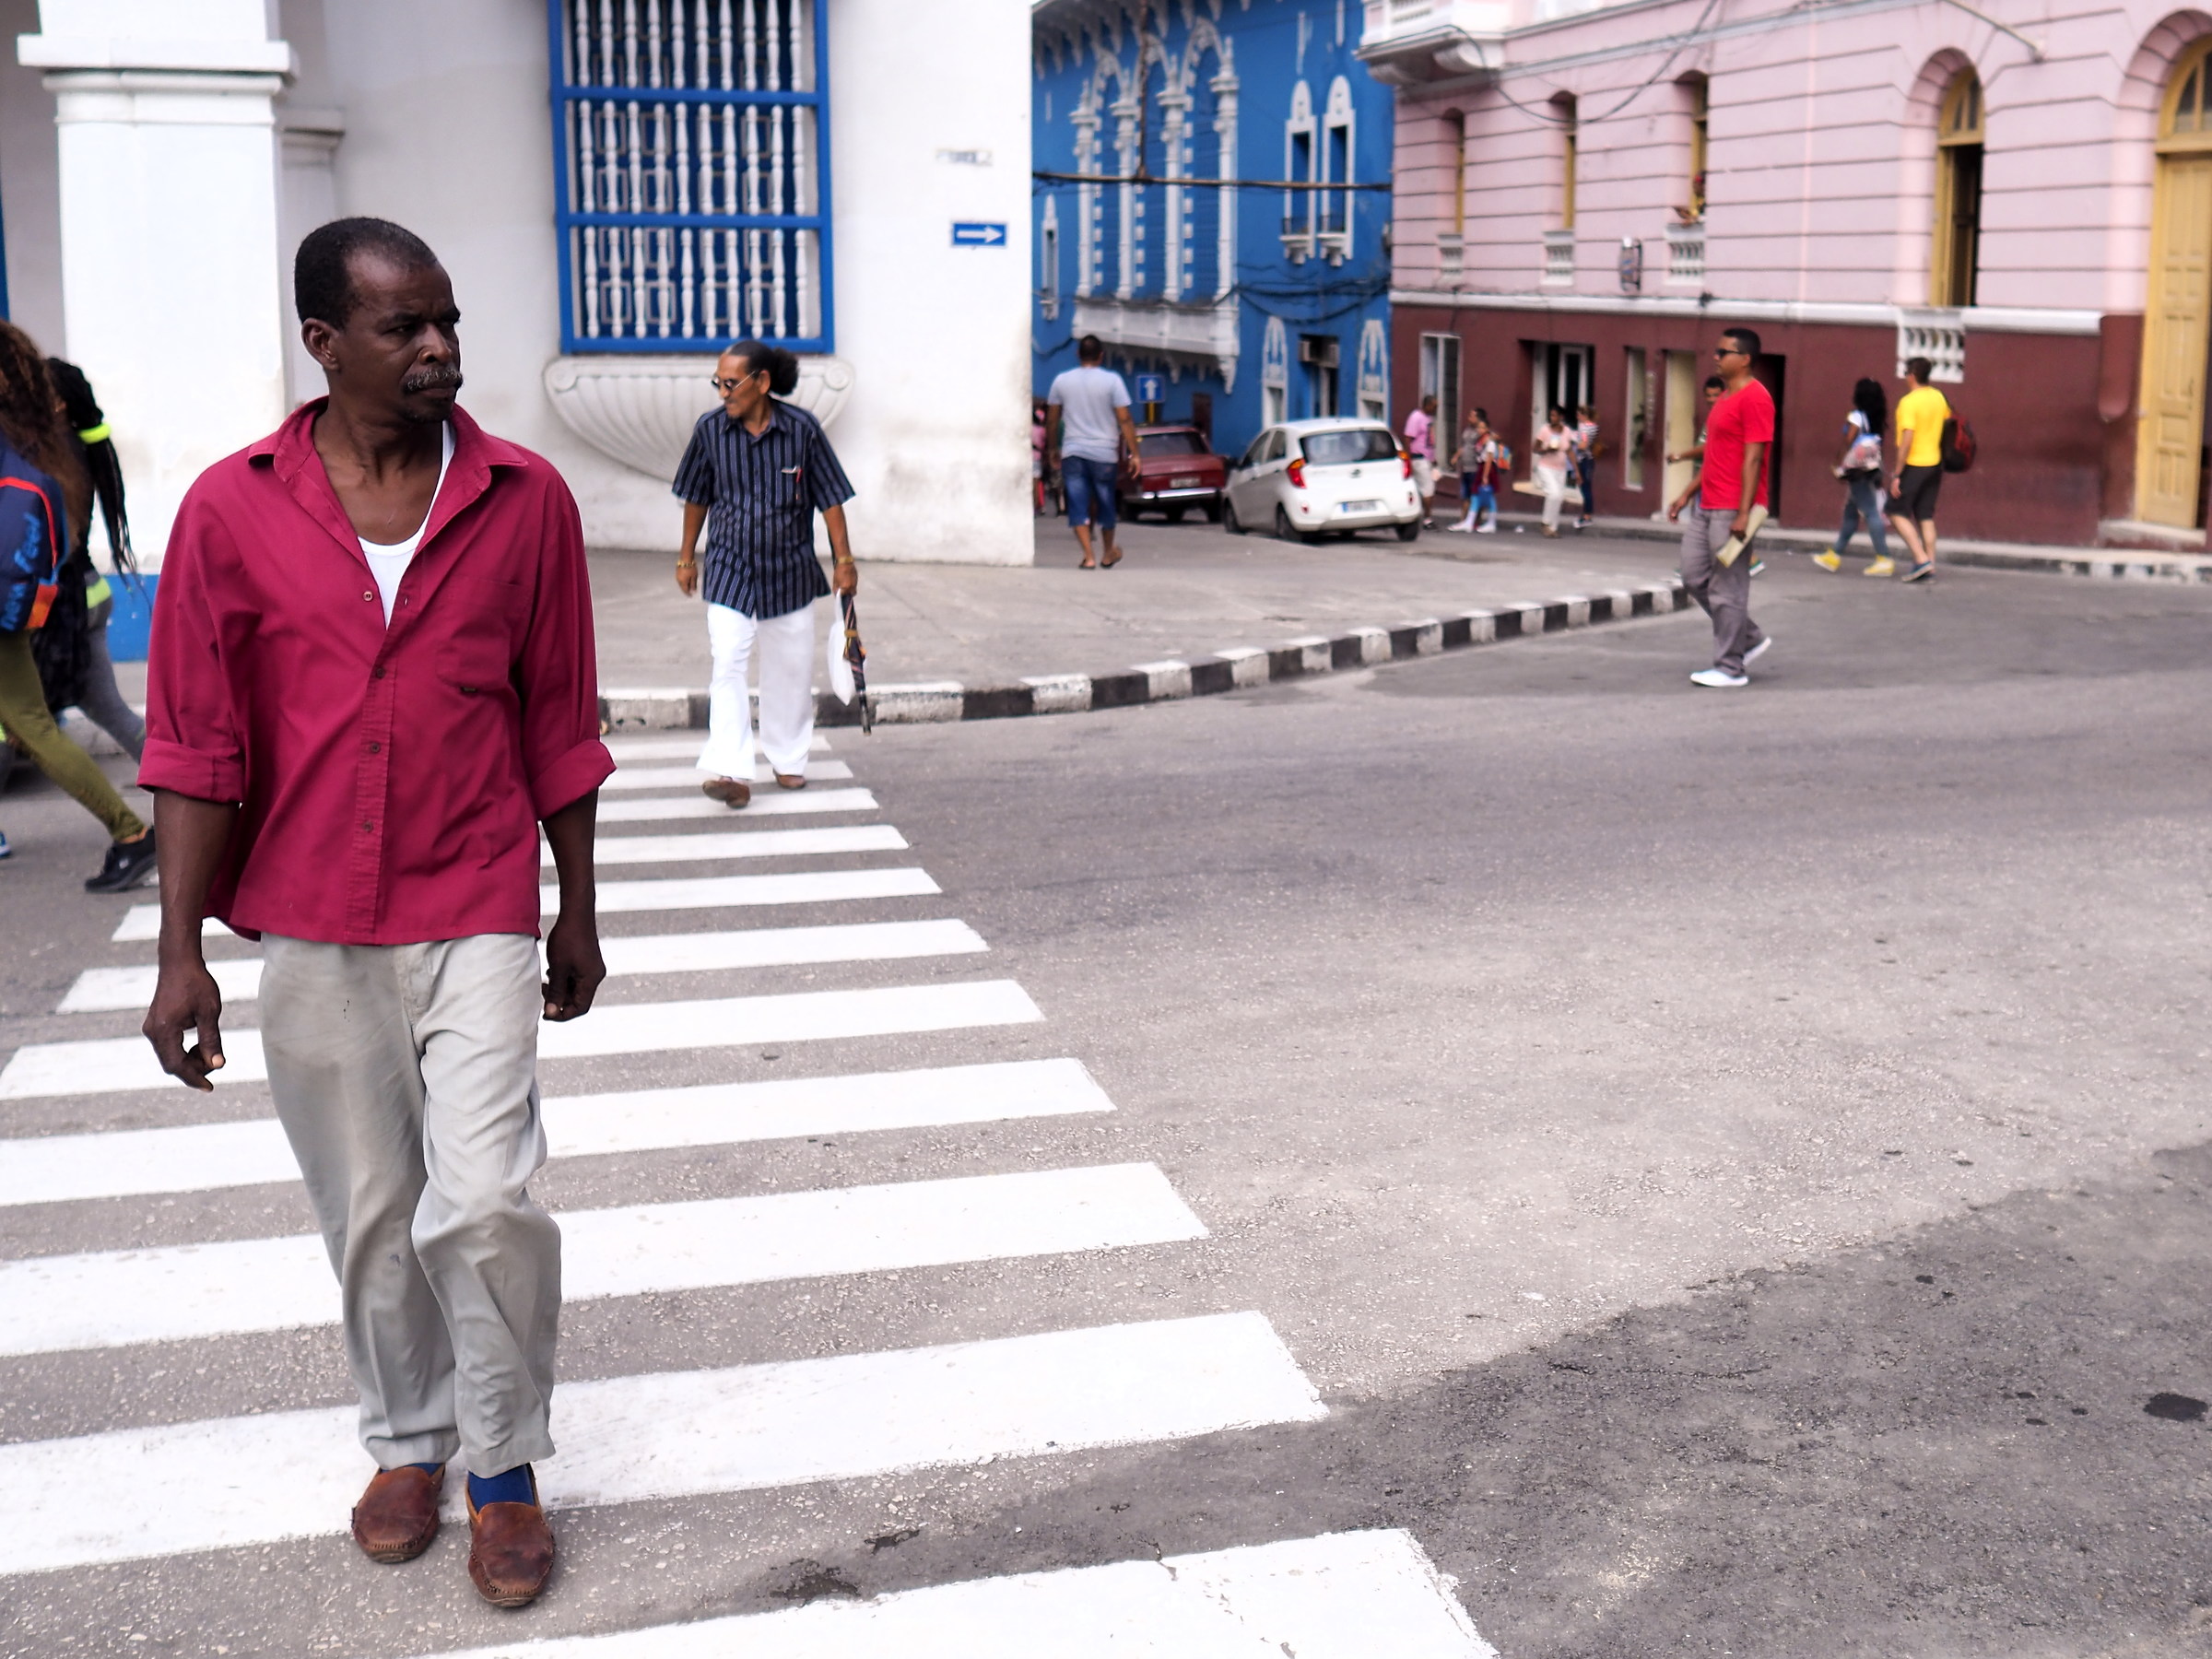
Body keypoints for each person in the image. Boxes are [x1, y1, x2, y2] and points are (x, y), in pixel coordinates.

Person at [138, 218, 613, 1608]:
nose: (439, 351)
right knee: (371, 1207)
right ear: (324, 344)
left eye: (448, 322)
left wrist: (576, 910)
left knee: (481, 1201)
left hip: (474, 896)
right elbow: (194, 748)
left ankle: (505, 1469)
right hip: (309, 914)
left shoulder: (526, 501)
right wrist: (180, 957)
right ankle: (407, 1444)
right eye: (405, 329)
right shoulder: (232, 511)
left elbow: (560, 723)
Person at [0, 320, 156, 891]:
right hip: (74, 596)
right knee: (76, 715)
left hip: (52, 606)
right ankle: (188, 804)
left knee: (31, 725)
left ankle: (137, 829)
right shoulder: (62, 447)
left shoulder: (29, 448)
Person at [675, 340, 856, 809]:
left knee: (790, 668)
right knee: (728, 661)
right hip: (730, 565)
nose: (722, 392)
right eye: (718, 383)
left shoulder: (802, 430)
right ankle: (731, 769)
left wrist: (844, 561)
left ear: (762, 383)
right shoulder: (711, 431)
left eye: (731, 383)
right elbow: (696, 495)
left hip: (790, 569)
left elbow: (830, 498)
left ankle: (788, 756)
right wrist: (686, 556)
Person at [35, 359, 147, 766]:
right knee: (108, 710)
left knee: (18, 718)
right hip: (91, 592)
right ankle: (181, 789)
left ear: (59, 403)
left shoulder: (52, 456)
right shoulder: (80, 449)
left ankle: (131, 821)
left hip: (61, 601)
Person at [1668, 326, 1773, 688]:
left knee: (1727, 588)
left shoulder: (1756, 399)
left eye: (1723, 352)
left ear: (1744, 359)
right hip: (1707, 503)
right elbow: (1715, 456)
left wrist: (1745, 513)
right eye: (1716, 351)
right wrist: (1687, 492)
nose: (1715, 357)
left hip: (1733, 508)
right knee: (1693, 575)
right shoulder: (1726, 398)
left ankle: (1730, 667)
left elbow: (1754, 458)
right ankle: (1749, 637)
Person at [1045, 335, 1140, 569]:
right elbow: (1124, 418)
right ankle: (1108, 552)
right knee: (1105, 501)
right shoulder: (1112, 381)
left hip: (1073, 452)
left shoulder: (1061, 381)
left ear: (1078, 354)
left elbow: (1052, 419)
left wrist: (1051, 449)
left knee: (1077, 503)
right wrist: (1134, 453)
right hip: (1104, 453)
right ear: (1101, 356)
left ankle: (1089, 556)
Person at [1815, 378, 1890, 574]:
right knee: (1850, 512)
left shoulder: (1857, 416)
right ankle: (1834, 554)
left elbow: (1848, 439)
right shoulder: (1877, 418)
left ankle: (1884, 558)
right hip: (1871, 468)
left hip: (1857, 471)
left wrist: (1838, 463)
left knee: (1870, 512)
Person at [1888, 356, 1949, 582]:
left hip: (1915, 464)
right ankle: (1929, 565)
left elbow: (1907, 440)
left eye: (1906, 373)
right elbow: (1945, 424)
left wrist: (1897, 474)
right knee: (1925, 515)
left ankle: (1921, 559)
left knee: (1895, 511)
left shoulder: (1909, 402)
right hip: (1935, 463)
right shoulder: (1938, 397)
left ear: (1912, 375)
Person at [1532, 406, 1574, 536]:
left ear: (1561, 417)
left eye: (1555, 415)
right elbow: (1535, 449)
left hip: (1560, 469)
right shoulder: (1545, 430)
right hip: (1546, 467)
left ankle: (1553, 528)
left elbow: (1570, 451)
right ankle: (1545, 522)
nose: (1552, 418)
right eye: (1551, 415)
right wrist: (1547, 450)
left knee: (1559, 497)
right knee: (1554, 493)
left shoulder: (1567, 431)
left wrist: (1576, 471)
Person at [1448, 410, 1487, 531]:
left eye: (1472, 416)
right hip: (1466, 468)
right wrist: (1455, 457)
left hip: (1475, 468)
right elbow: (1464, 446)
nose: (1469, 418)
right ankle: (1464, 520)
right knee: (1466, 495)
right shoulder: (1467, 430)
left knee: (1474, 495)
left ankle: (1474, 520)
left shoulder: (1482, 433)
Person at [1405, 394, 1438, 527]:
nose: (1436, 409)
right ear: (1427, 405)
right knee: (1428, 489)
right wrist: (1409, 458)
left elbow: (1429, 438)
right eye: (1434, 406)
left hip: (1427, 459)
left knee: (1424, 489)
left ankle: (1420, 515)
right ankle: (1428, 519)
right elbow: (1408, 438)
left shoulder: (1429, 418)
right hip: (1418, 458)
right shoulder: (1416, 417)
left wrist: (1433, 458)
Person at [1573, 404, 1601, 529]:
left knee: (1585, 488)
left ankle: (1586, 516)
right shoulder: (1594, 427)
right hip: (1590, 460)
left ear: (1584, 415)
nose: (1577, 416)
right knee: (1588, 487)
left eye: (1579, 414)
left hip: (1583, 459)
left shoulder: (1583, 428)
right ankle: (1587, 514)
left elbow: (1583, 445)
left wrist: (1575, 443)